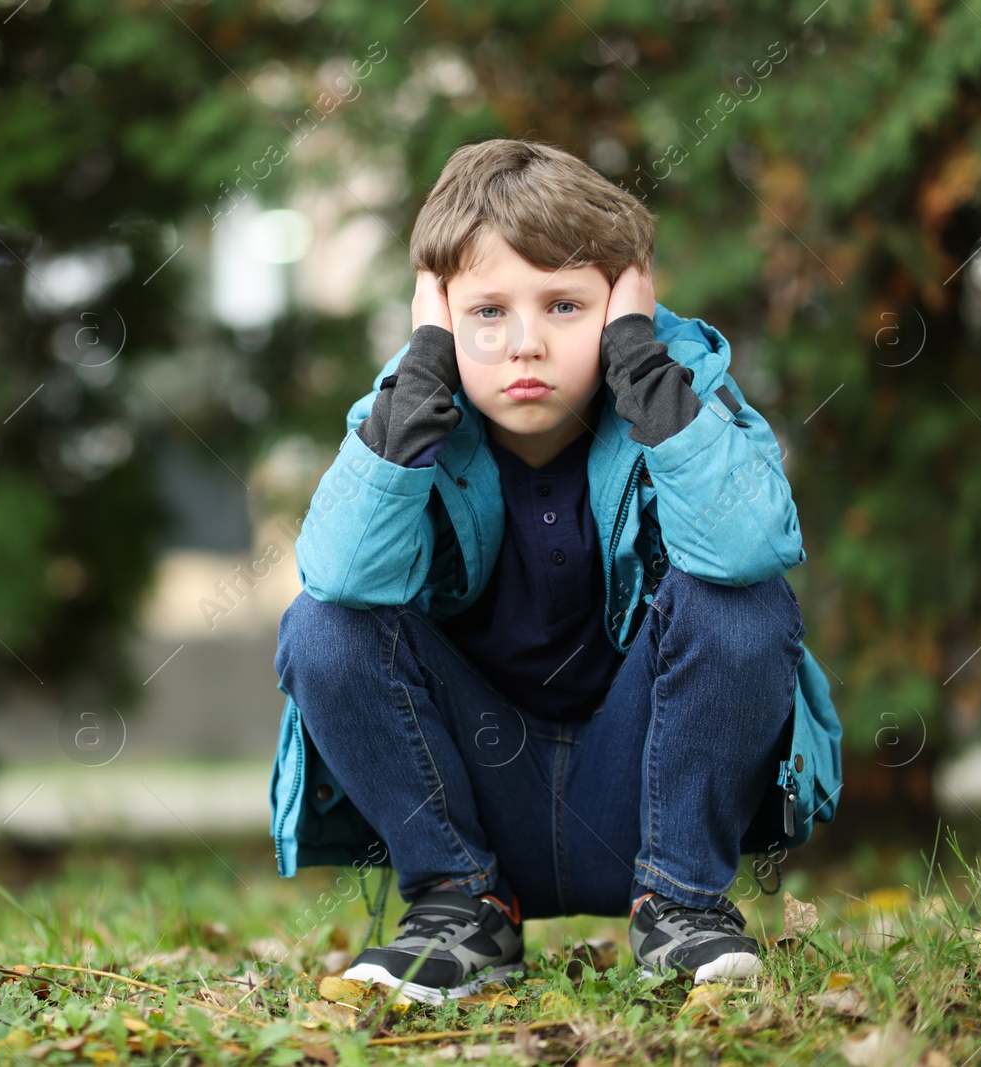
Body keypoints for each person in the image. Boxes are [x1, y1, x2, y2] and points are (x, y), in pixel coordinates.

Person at [268, 138, 842, 1003]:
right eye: (487, 311)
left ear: (625, 305)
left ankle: (682, 908)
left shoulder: (678, 389)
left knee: (742, 600)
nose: (524, 344)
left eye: (566, 305)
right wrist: (425, 368)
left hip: (643, 796)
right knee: (324, 620)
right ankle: (460, 912)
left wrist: (644, 366)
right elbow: (342, 574)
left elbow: (749, 548)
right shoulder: (408, 407)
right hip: (478, 808)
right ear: (438, 314)